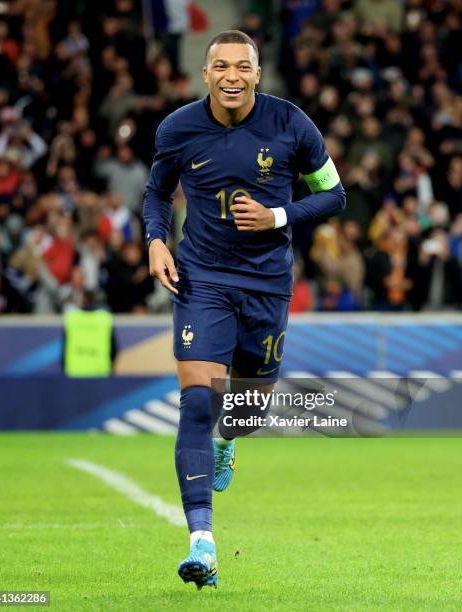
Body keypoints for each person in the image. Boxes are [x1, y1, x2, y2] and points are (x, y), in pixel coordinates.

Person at [143, 30, 346, 589]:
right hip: (201, 279)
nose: (232, 76)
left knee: (246, 415)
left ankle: (229, 445)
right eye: (221, 66)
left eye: (243, 66)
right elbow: (157, 193)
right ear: (205, 74)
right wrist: (157, 241)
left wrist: (277, 217)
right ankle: (201, 542)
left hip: (266, 286)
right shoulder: (178, 128)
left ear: (258, 73)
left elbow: (335, 194)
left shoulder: (291, 124)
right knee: (197, 406)